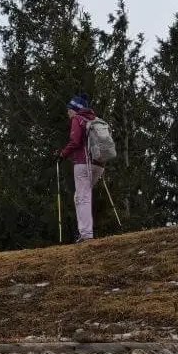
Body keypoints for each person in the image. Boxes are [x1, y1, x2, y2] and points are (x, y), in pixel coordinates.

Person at [59, 92, 104, 242]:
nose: (67, 112)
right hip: (99, 164)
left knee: (82, 196)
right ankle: (84, 232)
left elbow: (75, 141)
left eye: (69, 109)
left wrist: (62, 154)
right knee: (80, 196)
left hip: (83, 163)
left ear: (74, 108)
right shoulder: (95, 120)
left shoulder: (77, 119)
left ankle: (85, 234)